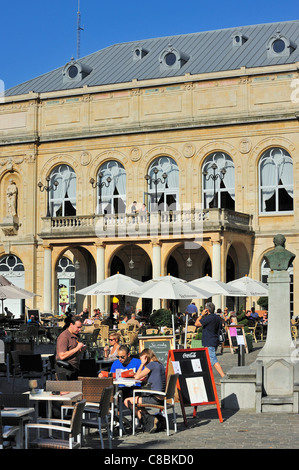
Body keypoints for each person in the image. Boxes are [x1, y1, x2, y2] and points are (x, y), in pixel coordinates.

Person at [124, 348, 166, 432]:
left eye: (142, 359)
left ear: (146, 357)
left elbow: (136, 377)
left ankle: (148, 421)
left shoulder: (151, 365)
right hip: (162, 397)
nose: (141, 361)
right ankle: (151, 420)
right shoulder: (159, 365)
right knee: (136, 404)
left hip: (155, 398)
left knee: (127, 401)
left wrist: (142, 364)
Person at [195, 302, 225, 379]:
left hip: (209, 341)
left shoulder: (209, 318)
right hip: (215, 340)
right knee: (208, 360)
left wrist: (201, 315)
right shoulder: (217, 317)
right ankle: (206, 377)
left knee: (213, 360)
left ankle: (224, 377)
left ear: (207, 310)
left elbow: (197, 323)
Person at [55, 315, 85, 380]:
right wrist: (77, 348)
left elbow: (73, 350)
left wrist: (81, 349)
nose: (79, 329)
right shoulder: (64, 337)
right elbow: (62, 355)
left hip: (74, 367)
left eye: (80, 327)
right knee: (66, 390)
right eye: (78, 327)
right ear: (71, 325)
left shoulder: (75, 335)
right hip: (65, 369)